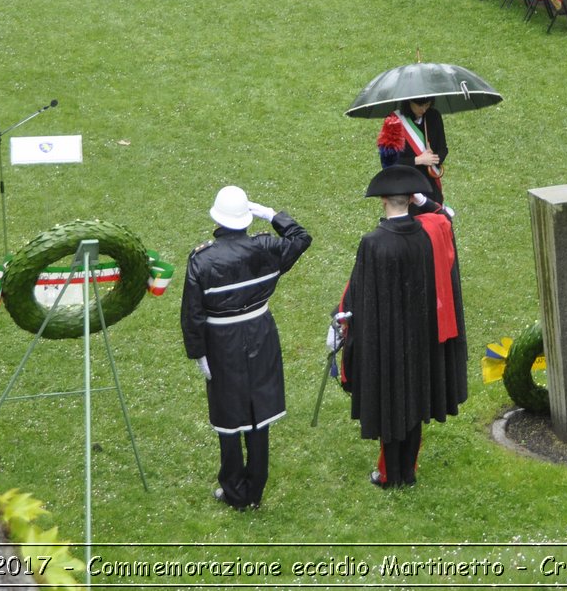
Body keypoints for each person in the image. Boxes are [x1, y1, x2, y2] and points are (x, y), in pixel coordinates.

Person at [180, 186, 312, 510]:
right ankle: (254, 488)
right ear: (246, 217)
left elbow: (192, 315)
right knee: (258, 412)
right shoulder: (266, 248)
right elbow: (301, 237)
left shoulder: (202, 260)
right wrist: (270, 213)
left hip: (221, 341)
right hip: (260, 333)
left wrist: (198, 354)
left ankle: (234, 489)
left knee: (228, 414)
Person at [337, 166, 447, 487]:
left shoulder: (373, 242)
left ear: (384, 199)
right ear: (411, 200)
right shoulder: (425, 237)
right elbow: (443, 217)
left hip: (385, 338)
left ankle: (389, 474)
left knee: (389, 403)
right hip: (418, 335)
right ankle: (407, 472)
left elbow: (358, 294)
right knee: (413, 402)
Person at [377, 97, 446, 201]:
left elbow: (443, 149)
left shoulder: (434, 116)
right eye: (420, 105)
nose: (424, 110)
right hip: (406, 187)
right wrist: (419, 160)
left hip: (431, 186)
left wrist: (434, 158)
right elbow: (388, 164)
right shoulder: (393, 121)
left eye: (427, 105)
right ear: (409, 101)